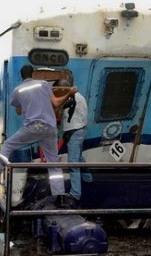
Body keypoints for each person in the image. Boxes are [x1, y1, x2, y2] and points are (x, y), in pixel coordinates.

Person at [0, 65, 77, 198]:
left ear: (21, 76)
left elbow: (18, 110)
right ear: (33, 74)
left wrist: (26, 105)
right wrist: (69, 94)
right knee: (54, 163)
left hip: (32, 127)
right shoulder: (43, 84)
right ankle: (59, 196)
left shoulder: (17, 90)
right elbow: (56, 103)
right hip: (49, 127)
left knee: (7, 145)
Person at [55, 78, 92, 208]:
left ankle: (75, 193)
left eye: (59, 92)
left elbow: (59, 106)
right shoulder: (76, 96)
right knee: (78, 157)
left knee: (73, 163)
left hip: (75, 132)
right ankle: (88, 177)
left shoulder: (73, 97)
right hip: (77, 131)